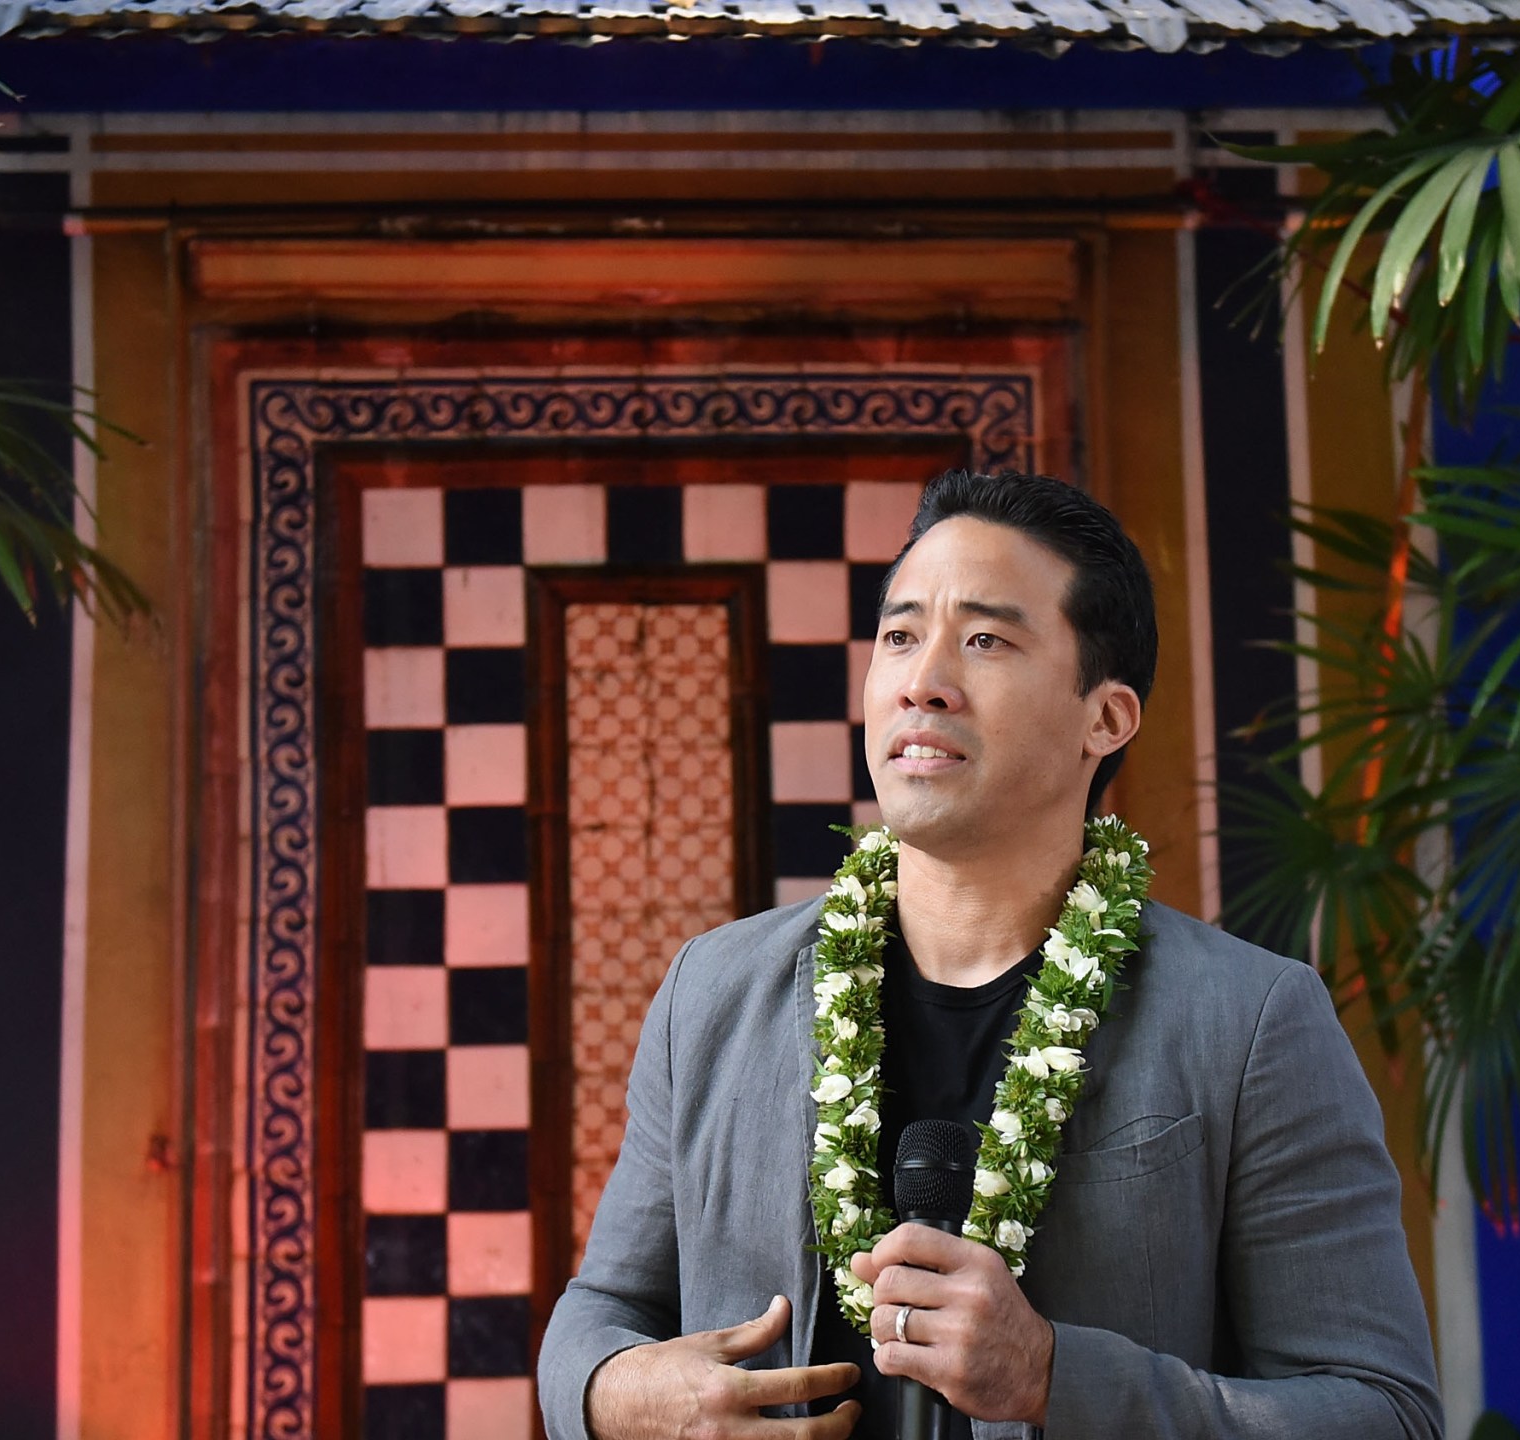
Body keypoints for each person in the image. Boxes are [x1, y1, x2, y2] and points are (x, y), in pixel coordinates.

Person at [534, 469, 1444, 1440]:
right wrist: (621, 1395)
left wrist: (1058, 1378)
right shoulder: (711, 993)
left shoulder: (1250, 1022)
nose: (922, 678)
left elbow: (1383, 1413)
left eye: (984, 639)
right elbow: (595, 1319)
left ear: (1106, 717)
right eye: (898, 635)